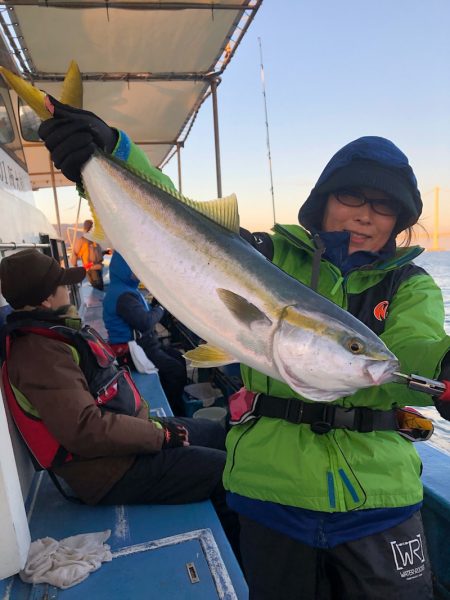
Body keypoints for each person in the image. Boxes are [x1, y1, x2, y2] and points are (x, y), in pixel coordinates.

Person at [37, 99, 450, 598]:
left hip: (381, 495)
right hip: (270, 488)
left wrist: (444, 364)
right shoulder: (269, 254)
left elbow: (412, 348)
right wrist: (110, 154)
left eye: (384, 206)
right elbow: (177, 219)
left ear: (401, 217)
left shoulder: (410, 284)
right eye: (351, 197)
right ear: (323, 200)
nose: (365, 216)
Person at [0, 249, 239, 556]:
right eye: (61, 284)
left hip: (126, 442)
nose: (67, 289)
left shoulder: (50, 338)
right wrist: (161, 436)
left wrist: (154, 432)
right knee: (225, 471)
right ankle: (243, 560)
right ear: (47, 298)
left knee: (213, 434)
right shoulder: (39, 354)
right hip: (108, 472)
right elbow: (86, 429)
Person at [103, 250, 187, 415]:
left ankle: (176, 398)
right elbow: (145, 322)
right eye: (135, 268)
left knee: (178, 358)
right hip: (134, 349)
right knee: (175, 370)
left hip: (144, 344)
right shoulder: (124, 296)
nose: (139, 273)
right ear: (124, 269)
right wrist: (162, 307)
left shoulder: (123, 289)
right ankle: (176, 410)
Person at [71, 219, 104, 290]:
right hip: (91, 269)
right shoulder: (82, 240)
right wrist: (75, 266)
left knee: (99, 288)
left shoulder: (94, 239)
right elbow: (75, 253)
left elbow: (96, 254)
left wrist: (105, 252)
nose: (93, 229)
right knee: (98, 287)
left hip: (97, 267)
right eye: (92, 227)